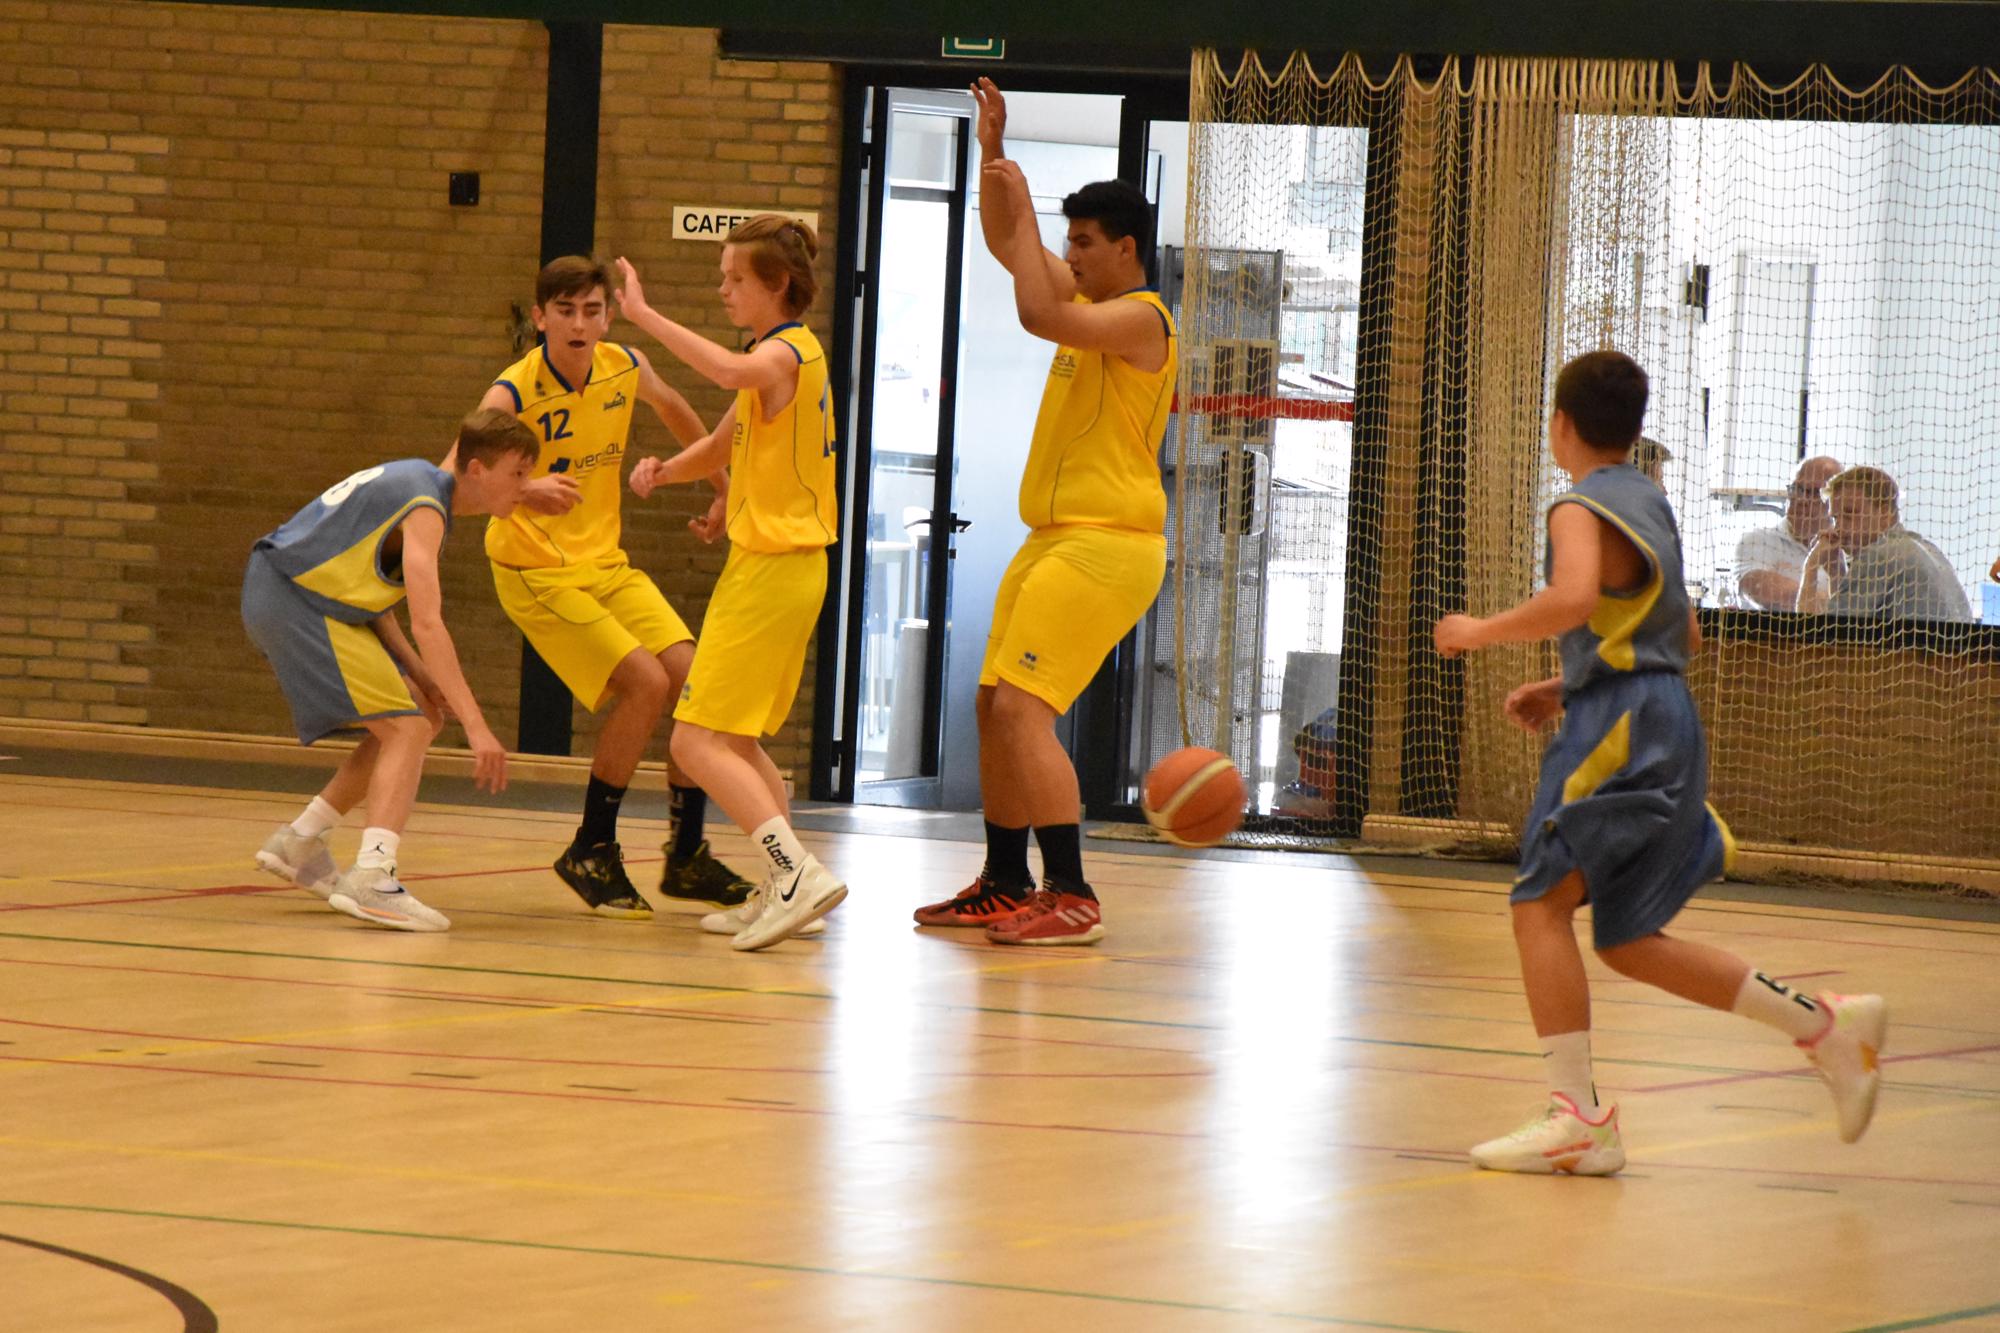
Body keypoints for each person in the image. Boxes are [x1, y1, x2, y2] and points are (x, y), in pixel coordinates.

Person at [1433, 350, 1887, 1175]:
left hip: (1620, 723)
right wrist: (1566, 685)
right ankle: (1824, 1024)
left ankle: (1577, 1117)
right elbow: (1683, 633)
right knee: (1629, 937)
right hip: (1663, 712)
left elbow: (1574, 598)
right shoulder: (1650, 502)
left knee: (1537, 904)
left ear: (1559, 424)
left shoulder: (1578, 506)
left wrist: (1478, 631)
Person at [909, 79, 1178, 947]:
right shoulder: (1092, 300)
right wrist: (994, 158)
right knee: (993, 705)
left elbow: (1035, 310)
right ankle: (1004, 879)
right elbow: (1006, 243)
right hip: (1054, 538)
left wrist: (1022, 197)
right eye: (1068, 241)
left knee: (1025, 708)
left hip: (1107, 544)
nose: (1071, 254)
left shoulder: (1140, 319)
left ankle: (1072, 891)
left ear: (1126, 248)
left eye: (1084, 243)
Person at [479, 256, 757, 919]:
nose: (579, 324)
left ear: (608, 317)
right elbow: (456, 473)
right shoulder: (511, 393)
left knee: (692, 681)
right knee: (646, 683)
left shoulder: (625, 366)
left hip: (603, 563)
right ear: (541, 317)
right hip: (534, 570)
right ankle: (592, 848)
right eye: (565, 311)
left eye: (592, 310)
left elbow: (677, 408)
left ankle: (686, 854)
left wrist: (721, 488)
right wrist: (523, 488)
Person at [614, 219, 847, 951]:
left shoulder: (780, 354)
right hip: (780, 566)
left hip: (775, 569)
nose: (722, 289)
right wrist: (666, 473)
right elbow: (725, 444)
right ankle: (785, 884)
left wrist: (643, 316)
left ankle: (797, 873)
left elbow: (723, 373)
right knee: (735, 740)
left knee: (694, 741)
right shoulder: (780, 359)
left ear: (776, 284)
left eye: (734, 278)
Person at [247, 409, 534, 931]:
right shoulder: (425, 506)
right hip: (295, 601)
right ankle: (373, 876)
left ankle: (301, 841)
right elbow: (428, 622)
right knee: (408, 728)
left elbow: (372, 600)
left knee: (421, 711)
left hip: (306, 599)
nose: (525, 487)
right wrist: (477, 726)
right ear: (477, 469)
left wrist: (423, 677)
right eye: (517, 473)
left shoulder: (416, 486)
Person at [1798, 465, 1972, 621]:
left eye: (1850, 514)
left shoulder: (1879, 556)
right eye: (1836, 519)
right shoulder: (1929, 549)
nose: (1839, 529)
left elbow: (1816, 637)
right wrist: (1837, 571)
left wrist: (1811, 567)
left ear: (1884, 513)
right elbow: (1846, 624)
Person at [1734, 455, 1841, 610]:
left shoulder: (1846, 551)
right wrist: (1836, 602)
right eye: (1797, 489)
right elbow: (1762, 590)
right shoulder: (1757, 540)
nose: (1801, 500)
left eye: (1814, 493)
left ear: (1836, 500)